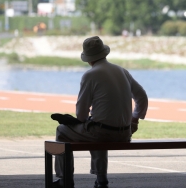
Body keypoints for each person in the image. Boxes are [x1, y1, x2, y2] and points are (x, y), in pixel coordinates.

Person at [53, 36, 148, 188]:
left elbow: (81, 115)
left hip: (102, 133)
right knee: (96, 127)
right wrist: (134, 120)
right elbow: (142, 97)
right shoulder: (122, 71)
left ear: (88, 59)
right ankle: (101, 179)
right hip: (125, 133)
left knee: (63, 130)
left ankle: (65, 179)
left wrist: (80, 119)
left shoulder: (90, 75)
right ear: (104, 53)